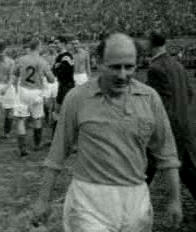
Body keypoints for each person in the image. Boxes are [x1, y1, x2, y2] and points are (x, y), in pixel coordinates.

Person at [32, 33, 182, 232]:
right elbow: (57, 154)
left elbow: (167, 154)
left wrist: (175, 200)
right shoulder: (77, 98)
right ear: (99, 63)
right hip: (88, 202)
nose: (122, 75)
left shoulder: (149, 98)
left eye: (129, 67)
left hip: (136, 199)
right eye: (114, 67)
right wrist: (43, 199)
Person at [145, 31, 196, 199]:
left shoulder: (155, 68)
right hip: (181, 124)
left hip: (168, 127)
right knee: (185, 168)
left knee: (147, 165)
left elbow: (157, 103)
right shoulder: (177, 65)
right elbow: (188, 93)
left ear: (151, 44)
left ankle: (130, 204)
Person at [14, 38, 55, 156]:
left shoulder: (21, 59)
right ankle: (37, 145)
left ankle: (22, 148)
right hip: (36, 92)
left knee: (21, 120)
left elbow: (16, 74)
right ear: (38, 47)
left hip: (23, 90)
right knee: (37, 119)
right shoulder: (42, 61)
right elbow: (51, 79)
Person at [0, 40, 16, 139]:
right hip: (4, 85)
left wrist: (6, 87)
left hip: (7, 86)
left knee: (9, 110)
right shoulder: (10, 61)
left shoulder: (10, 62)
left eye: (1, 50)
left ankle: (6, 132)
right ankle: (6, 132)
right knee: (7, 110)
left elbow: (12, 77)